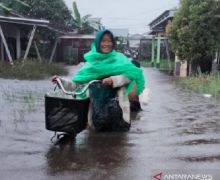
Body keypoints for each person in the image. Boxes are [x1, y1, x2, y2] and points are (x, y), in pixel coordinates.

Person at [52, 29, 145, 131]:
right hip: (95, 113)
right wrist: (60, 81)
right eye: (103, 41)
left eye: (109, 41)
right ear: (97, 42)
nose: (107, 44)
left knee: (120, 142)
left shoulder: (120, 58)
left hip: (118, 112)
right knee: (94, 139)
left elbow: (128, 77)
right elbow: (76, 85)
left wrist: (113, 80)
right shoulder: (90, 64)